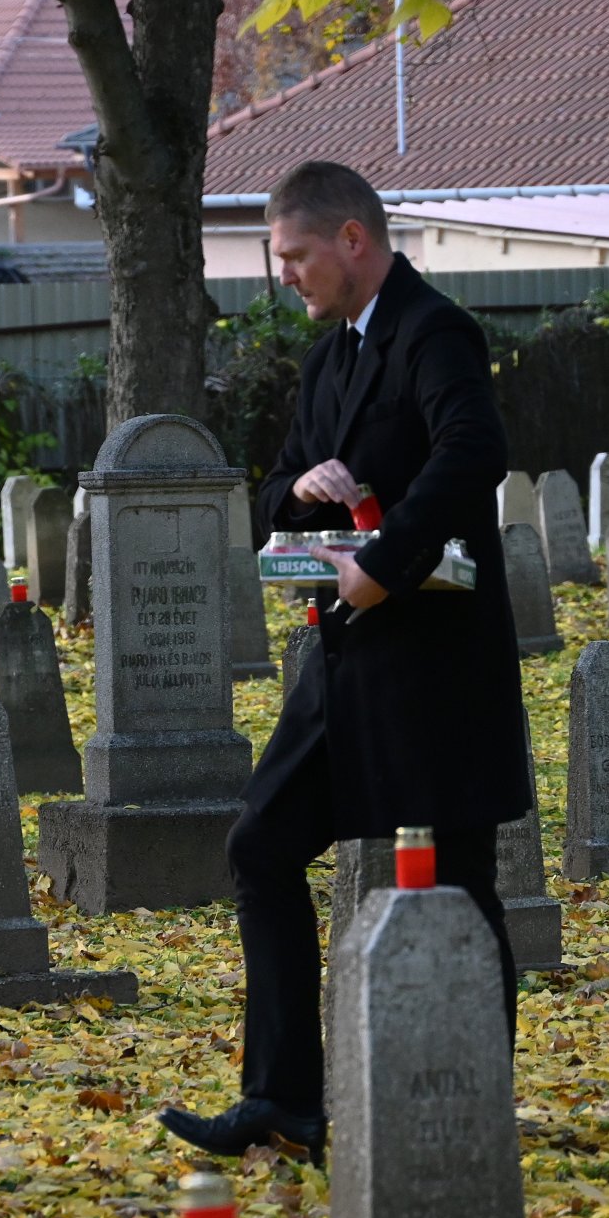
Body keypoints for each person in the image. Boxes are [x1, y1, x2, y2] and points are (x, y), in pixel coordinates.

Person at [156, 160, 532, 1163]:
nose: (283, 274)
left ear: (353, 240)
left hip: (434, 666)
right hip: (343, 666)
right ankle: (284, 1098)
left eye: (294, 255)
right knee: (261, 846)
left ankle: (469, 1101)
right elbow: (278, 485)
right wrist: (308, 488)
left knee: (454, 886)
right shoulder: (330, 359)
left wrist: (383, 557)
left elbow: (471, 452)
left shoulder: (433, 330)